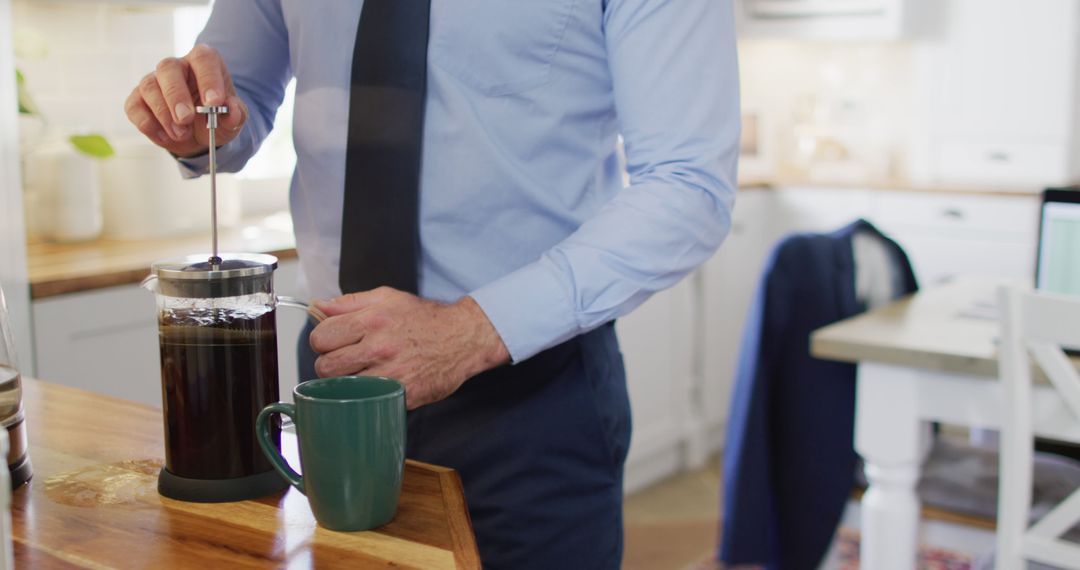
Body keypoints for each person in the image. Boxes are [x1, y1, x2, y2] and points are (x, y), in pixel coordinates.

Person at [124, 1, 739, 567]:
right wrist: (194, 115)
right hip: (336, 376)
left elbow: (689, 187)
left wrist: (471, 330)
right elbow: (236, 102)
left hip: (529, 393)